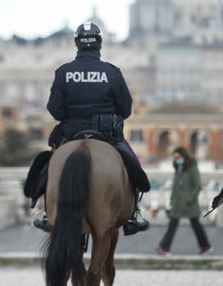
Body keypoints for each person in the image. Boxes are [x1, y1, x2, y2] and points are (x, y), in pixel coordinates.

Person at [28, 21, 150, 235]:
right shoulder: (112, 72)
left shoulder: (63, 72)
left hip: (70, 134)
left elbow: (54, 110)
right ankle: (135, 214)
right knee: (134, 166)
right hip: (107, 136)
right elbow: (126, 109)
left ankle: (46, 212)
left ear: (77, 44)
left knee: (49, 169)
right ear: (100, 44)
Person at [156, 148, 213, 256]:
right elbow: (175, 187)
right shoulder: (178, 168)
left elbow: (197, 186)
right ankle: (164, 247)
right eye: (175, 158)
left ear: (184, 157)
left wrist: (189, 199)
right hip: (177, 204)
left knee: (196, 225)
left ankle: (206, 246)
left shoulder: (192, 168)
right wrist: (172, 200)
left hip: (189, 204)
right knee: (173, 224)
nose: (176, 160)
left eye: (178, 158)